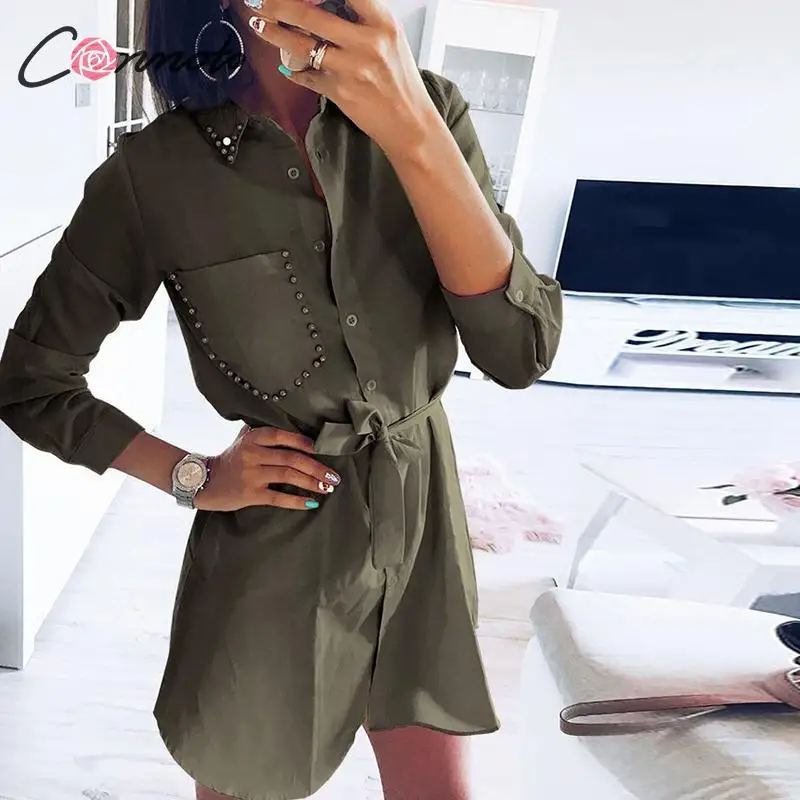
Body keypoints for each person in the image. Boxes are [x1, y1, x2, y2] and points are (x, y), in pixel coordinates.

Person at [0, 0, 562, 797]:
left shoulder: (431, 110)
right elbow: (32, 381)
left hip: (424, 525)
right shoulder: (157, 174)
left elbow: (519, 350)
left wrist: (413, 128)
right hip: (277, 548)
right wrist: (193, 476)